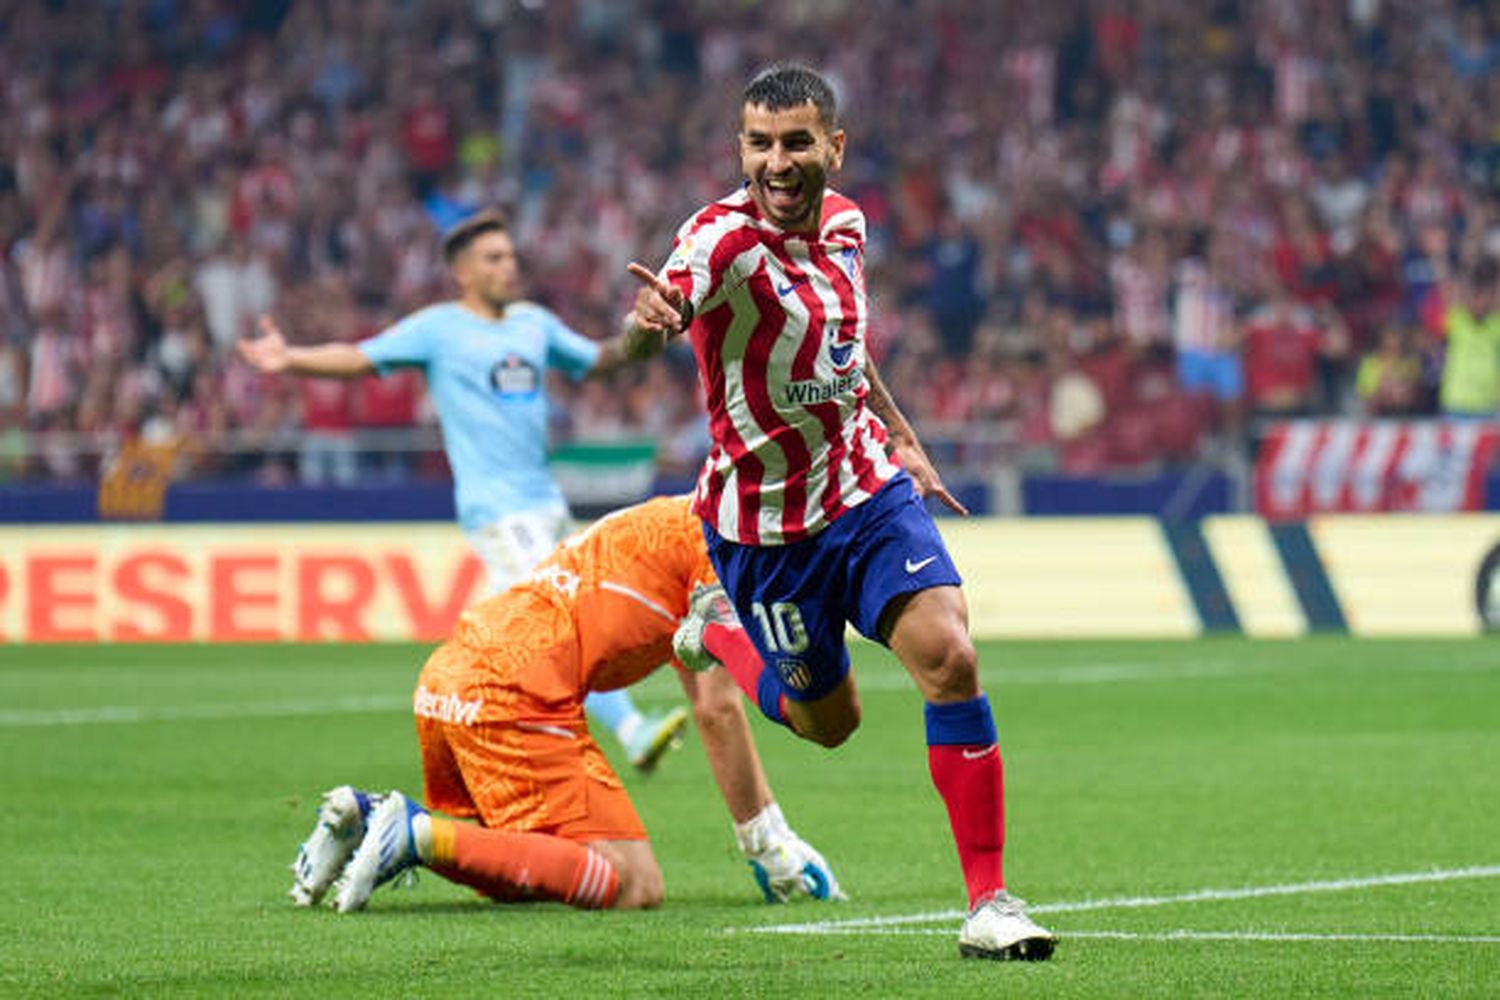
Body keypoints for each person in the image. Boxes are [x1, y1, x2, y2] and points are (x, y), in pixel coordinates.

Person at [622, 65, 1055, 961]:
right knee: (828, 723)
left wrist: (902, 437)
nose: (775, 164)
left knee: (952, 657)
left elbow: (846, 351)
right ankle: (721, 631)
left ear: (833, 146)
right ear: (741, 150)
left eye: (794, 143)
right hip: (764, 531)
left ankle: (990, 903)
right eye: (758, 144)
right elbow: (664, 305)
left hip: (864, 492)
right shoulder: (717, 242)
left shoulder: (850, 226)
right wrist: (654, 317)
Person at [236, 209, 687, 770]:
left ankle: (477, 732)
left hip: (546, 502)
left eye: (510, 256)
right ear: (463, 273)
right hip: (497, 511)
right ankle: (632, 729)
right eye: (493, 259)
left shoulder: (533, 324)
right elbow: (361, 358)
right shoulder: (438, 329)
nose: (508, 266)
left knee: (527, 633)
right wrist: (291, 358)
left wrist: (642, 330)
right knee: (561, 620)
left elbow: (601, 360)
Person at [287, 494, 843, 913]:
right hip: (514, 691)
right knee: (632, 882)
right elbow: (719, 708)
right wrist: (769, 848)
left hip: (448, 675)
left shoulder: (669, 522)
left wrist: (767, 842)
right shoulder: (725, 549)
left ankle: (365, 817)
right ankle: (413, 831)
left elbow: (705, 697)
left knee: (517, 863)